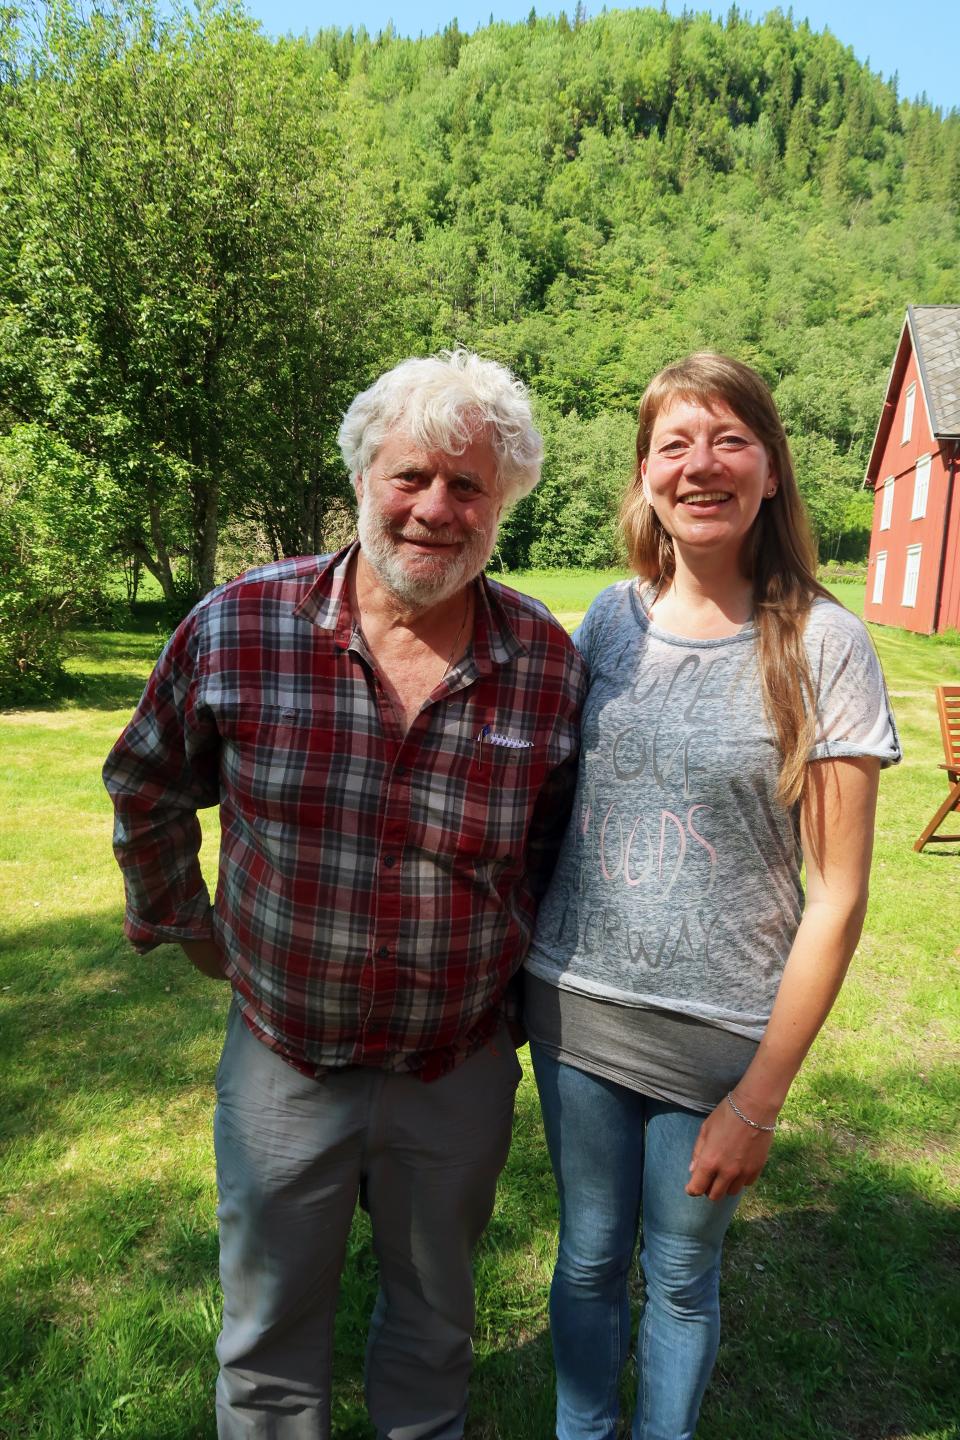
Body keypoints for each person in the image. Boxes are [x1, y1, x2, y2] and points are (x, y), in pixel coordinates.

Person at [103, 349, 585, 1440]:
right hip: (284, 1059)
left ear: (502, 504)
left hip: (454, 1068)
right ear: (363, 476)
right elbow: (146, 783)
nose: (434, 509)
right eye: (410, 475)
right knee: (269, 1345)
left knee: (434, 1333)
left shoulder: (545, 661)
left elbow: (553, 851)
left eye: (469, 487)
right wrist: (188, 927)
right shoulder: (242, 625)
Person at [523, 352, 900, 1440]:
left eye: (730, 440)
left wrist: (759, 1101)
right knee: (589, 1257)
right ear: (644, 476)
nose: (702, 465)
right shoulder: (607, 622)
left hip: (721, 1034)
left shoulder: (824, 645)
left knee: (681, 1277)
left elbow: (836, 899)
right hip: (576, 1006)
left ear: (772, 471)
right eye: (675, 444)